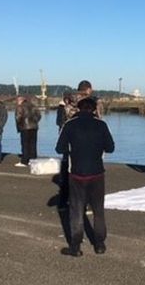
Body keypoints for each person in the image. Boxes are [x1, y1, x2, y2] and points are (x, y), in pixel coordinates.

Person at [56, 97, 115, 257]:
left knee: (76, 210)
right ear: (95, 109)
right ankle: (100, 244)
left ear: (78, 109)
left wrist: (72, 150)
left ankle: (75, 246)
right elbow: (110, 147)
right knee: (98, 210)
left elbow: (59, 148)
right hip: (97, 172)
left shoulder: (70, 125)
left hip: (77, 173)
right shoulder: (101, 125)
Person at [15, 96, 41, 167]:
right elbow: (39, 116)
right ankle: (33, 159)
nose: (16, 102)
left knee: (25, 144)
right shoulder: (33, 106)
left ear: (21, 100)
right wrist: (35, 121)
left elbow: (18, 117)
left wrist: (20, 125)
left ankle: (24, 161)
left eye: (17, 100)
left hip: (25, 127)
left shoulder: (20, 107)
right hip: (34, 127)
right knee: (33, 144)